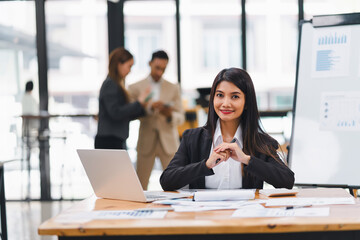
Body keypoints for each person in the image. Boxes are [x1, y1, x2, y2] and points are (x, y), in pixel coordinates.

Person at [160, 68, 295, 191]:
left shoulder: (260, 142)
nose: (225, 104)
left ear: (247, 102)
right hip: (205, 216)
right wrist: (205, 165)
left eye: (235, 96)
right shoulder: (193, 138)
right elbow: (167, 181)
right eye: (220, 95)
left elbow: (287, 180)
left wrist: (247, 160)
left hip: (245, 216)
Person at [128, 50, 185, 190]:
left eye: (163, 69)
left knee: (176, 185)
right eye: (157, 68)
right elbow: (130, 113)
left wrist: (169, 115)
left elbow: (181, 117)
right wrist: (148, 108)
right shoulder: (135, 87)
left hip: (169, 143)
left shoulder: (173, 88)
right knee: (140, 186)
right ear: (150, 64)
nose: (160, 72)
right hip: (146, 141)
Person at [95, 47, 150, 150]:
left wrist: (141, 107)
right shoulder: (110, 84)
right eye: (129, 66)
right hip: (109, 140)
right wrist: (138, 102)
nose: (130, 71)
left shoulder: (117, 84)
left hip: (115, 138)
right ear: (119, 64)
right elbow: (115, 113)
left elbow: (124, 114)